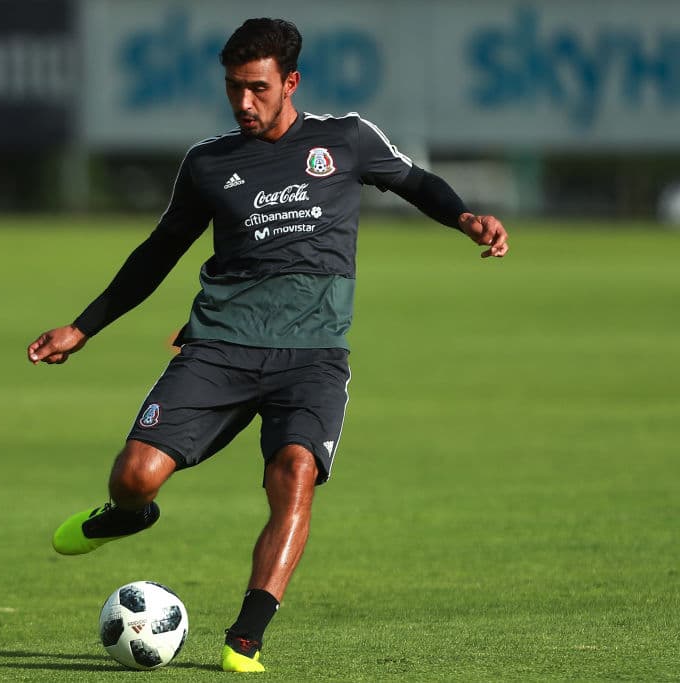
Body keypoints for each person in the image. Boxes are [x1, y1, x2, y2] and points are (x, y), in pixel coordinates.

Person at [27, 17, 508, 673]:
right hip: (219, 349)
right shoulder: (208, 163)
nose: (243, 103)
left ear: (291, 82)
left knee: (294, 474)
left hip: (312, 358)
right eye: (234, 89)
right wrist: (81, 327)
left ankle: (245, 637)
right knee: (133, 475)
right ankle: (129, 514)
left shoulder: (345, 140)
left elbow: (415, 181)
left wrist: (465, 217)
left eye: (257, 88)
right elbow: (157, 254)